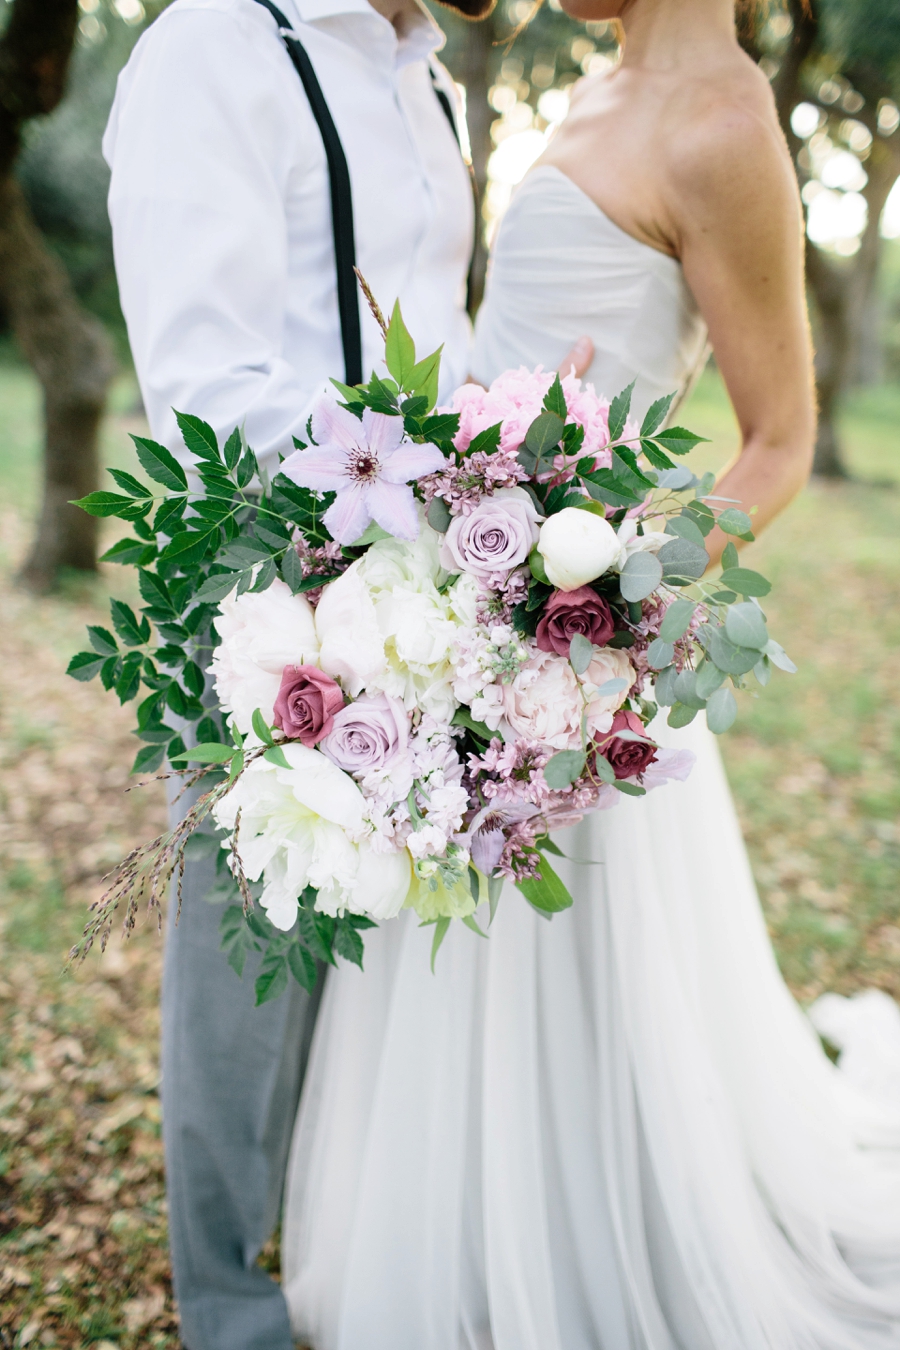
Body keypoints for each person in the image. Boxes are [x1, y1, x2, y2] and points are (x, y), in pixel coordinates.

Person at [279, 0, 900, 1346]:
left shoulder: (729, 122)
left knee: (569, 967)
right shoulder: (598, 89)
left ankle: (586, 1249)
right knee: (452, 953)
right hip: (453, 615)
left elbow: (778, 442)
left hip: (570, 644)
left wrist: (607, 578)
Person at [101, 0, 495, 1344]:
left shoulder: (428, 81)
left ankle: (348, 1250)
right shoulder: (211, 50)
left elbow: (434, 319)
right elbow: (201, 382)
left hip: (434, 589)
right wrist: (442, 461)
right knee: (246, 958)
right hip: (262, 584)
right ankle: (229, 1303)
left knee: (386, 936)